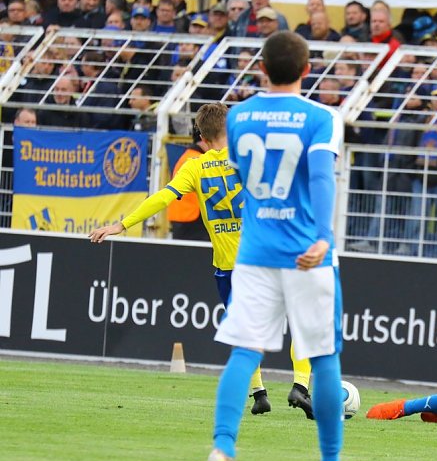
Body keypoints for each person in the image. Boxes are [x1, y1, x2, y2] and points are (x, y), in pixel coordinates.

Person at [87, 104, 315, 419]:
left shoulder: (194, 167)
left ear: (202, 138)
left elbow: (163, 198)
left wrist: (120, 225)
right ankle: (300, 385)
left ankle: (259, 393)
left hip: (227, 266)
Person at [207, 31, 347, 461]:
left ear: (261, 69)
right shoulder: (321, 117)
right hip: (308, 253)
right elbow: (323, 178)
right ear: (307, 70)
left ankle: (222, 449)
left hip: (255, 251)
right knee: (323, 359)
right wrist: (324, 237)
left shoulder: (239, 116)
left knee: (245, 352)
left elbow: (245, 177)